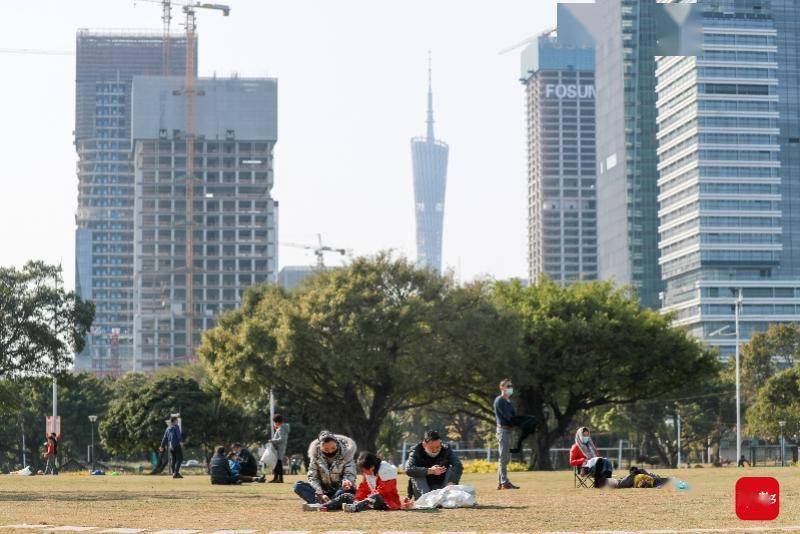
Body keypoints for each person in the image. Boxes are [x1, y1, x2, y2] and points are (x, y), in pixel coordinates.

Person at [294, 430, 357, 511]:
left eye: (333, 448)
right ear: (320, 447)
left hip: (339, 491)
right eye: (326, 450)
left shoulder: (347, 454)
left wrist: (346, 481)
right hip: (322, 492)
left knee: (349, 490)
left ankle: (324, 504)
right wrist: (320, 493)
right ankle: (331, 504)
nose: (330, 451)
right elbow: (313, 478)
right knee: (298, 485)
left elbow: (350, 475)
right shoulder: (315, 456)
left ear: (337, 443)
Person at [404, 429, 463, 499]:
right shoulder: (416, 451)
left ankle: (446, 496)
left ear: (440, 443)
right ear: (424, 444)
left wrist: (452, 482)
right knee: (415, 470)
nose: (435, 450)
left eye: (438, 447)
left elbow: (458, 465)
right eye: (431, 447)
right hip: (423, 488)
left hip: (443, 486)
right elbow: (409, 470)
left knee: (452, 468)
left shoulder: (446, 449)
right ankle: (426, 498)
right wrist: (430, 471)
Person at [340, 452, 404, 512]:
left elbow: (383, 492)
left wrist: (365, 499)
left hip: (388, 503)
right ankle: (330, 506)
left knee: (376, 496)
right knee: (346, 496)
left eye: (364, 470)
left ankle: (354, 508)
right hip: (371, 500)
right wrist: (357, 499)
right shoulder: (369, 473)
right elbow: (363, 489)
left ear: (372, 467)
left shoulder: (387, 471)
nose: (363, 472)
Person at [494, 378, 519, 489]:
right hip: (503, 431)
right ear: (502, 387)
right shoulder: (500, 400)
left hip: (508, 431)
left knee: (505, 458)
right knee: (503, 457)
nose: (510, 389)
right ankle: (504, 482)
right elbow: (507, 416)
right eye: (508, 386)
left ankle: (502, 483)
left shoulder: (508, 402)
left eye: (511, 386)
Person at [269, 414, 289, 483]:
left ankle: (279, 479)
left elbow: (281, 439)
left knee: (278, 464)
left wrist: (272, 441)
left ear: (277, 422)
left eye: (274, 422)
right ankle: (277, 478)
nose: (274, 424)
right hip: (280, 448)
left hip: (279, 449)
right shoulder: (282, 428)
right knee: (278, 464)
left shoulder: (281, 429)